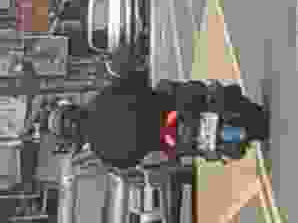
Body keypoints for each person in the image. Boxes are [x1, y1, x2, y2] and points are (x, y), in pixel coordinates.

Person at [81, 72, 270, 168]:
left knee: (188, 148)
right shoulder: (102, 99)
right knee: (198, 92)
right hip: (168, 106)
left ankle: (231, 133)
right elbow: (135, 82)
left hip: (167, 140)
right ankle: (231, 104)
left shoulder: (102, 152)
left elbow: (130, 162)